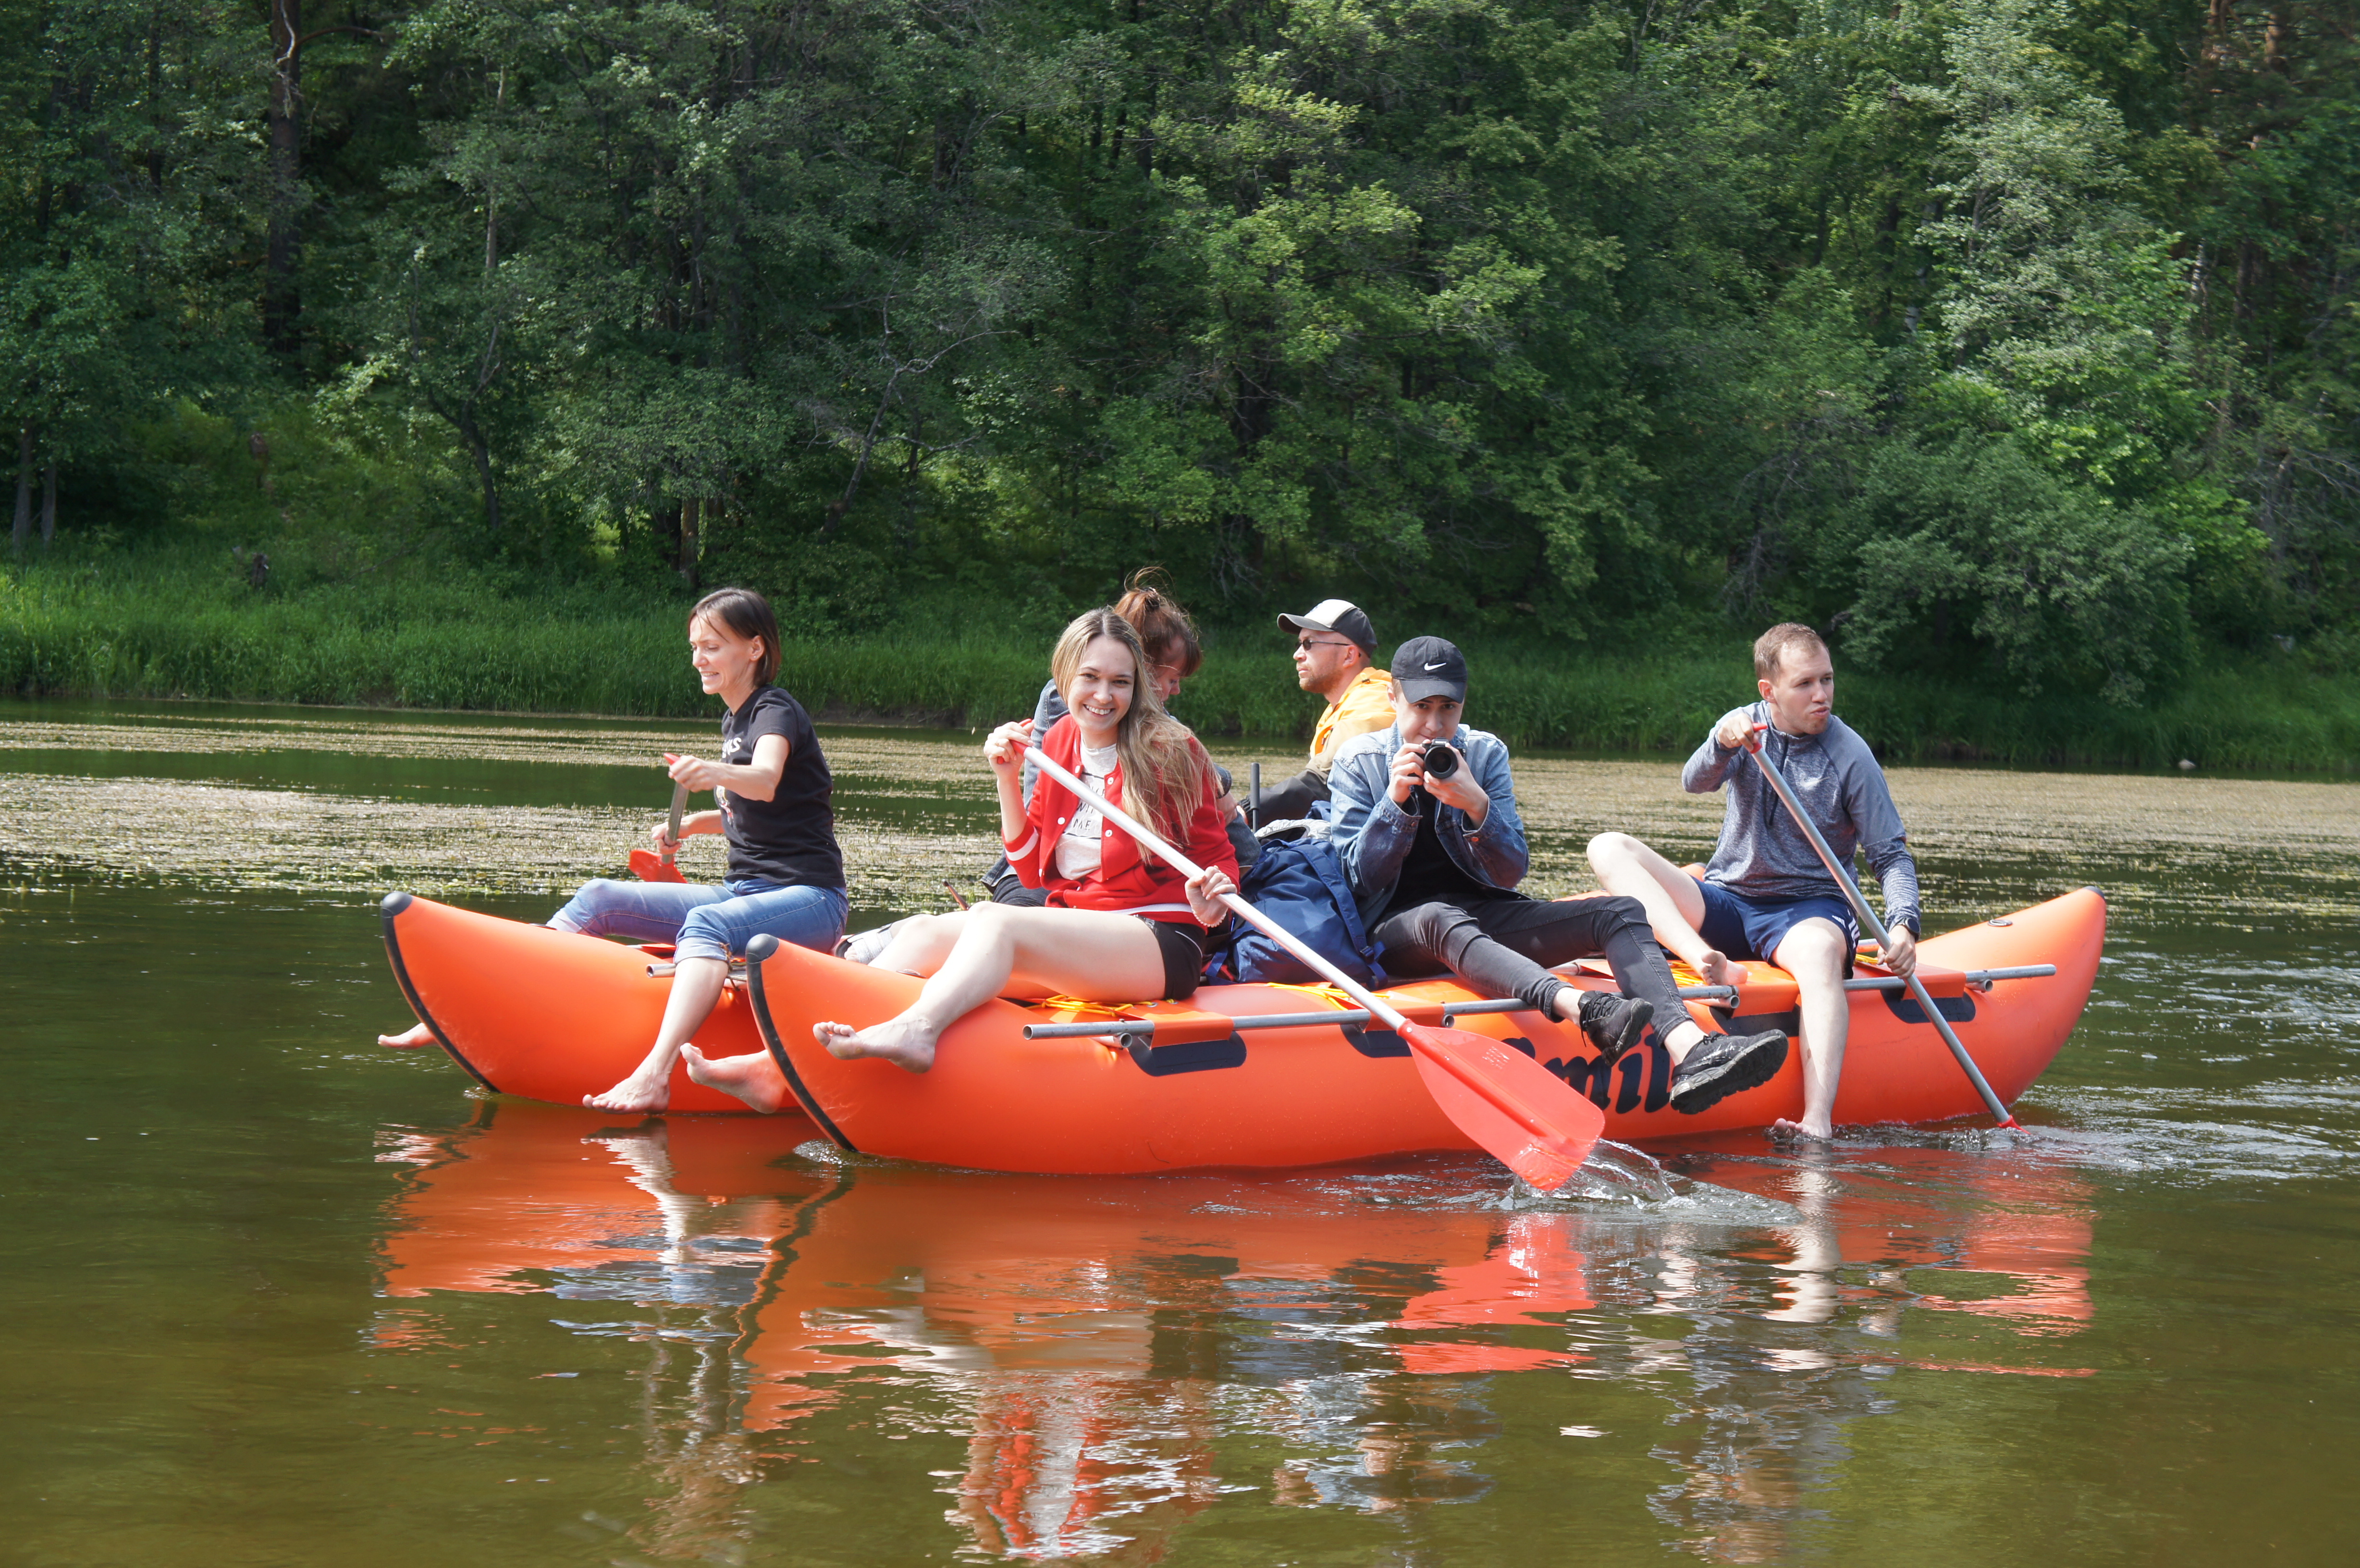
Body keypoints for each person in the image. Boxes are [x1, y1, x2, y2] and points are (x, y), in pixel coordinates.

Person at [693, 607, 1238, 1088]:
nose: (1103, 696)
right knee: (926, 933)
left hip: (1158, 940)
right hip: (1080, 929)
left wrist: (1212, 897)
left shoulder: (1171, 747)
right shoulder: (1059, 743)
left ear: (1136, 687)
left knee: (994, 920)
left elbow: (1219, 863)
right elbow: (1029, 870)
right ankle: (777, 1068)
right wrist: (1007, 778)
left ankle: (919, 1030)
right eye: (1090, 678)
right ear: (1064, 678)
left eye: (1119, 683)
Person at [376, 588, 849, 1113]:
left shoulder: (774, 710)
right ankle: (458, 1013)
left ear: (754, 649)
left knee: (707, 927)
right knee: (599, 897)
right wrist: (694, 825)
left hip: (811, 898)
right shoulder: (732, 722)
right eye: (695, 647)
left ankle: (653, 1074)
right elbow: (763, 811)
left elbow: (764, 781)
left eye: (713, 647)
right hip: (747, 889)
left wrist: (710, 772)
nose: (699, 659)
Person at [1327, 637, 1787, 1110]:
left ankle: (1691, 1048)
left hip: (1483, 918)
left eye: (1448, 708)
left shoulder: (1482, 756)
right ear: (1392, 699)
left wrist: (1477, 806)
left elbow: (1509, 875)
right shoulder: (1358, 761)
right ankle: (1583, 1009)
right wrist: (1395, 806)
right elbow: (1359, 880)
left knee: (1622, 911)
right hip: (1395, 934)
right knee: (1438, 916)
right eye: (1421, 707)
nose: (1434, 725)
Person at [1585, 622, 1920, 1140]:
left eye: (1827, 680)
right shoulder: (1742, 726)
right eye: (1805, 684)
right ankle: (1698, 957)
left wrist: (1902, 927)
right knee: (1607, 847)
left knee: (1815, 956)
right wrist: (1721, 743)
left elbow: (1890, 856)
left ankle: (1816, 1121)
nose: (1821, 695)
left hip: (1807, 910)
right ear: (1769, 691)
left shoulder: (1850, 754)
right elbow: (1693, 781)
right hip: (1728, 899)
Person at [1251, 598, 1395, 823]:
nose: (1298, 654)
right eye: (1299, 644)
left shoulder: (1375, 701)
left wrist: (1248, 809)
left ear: (1349, 655)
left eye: (1309, 643)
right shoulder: (1343, 704)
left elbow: (1324, 780)